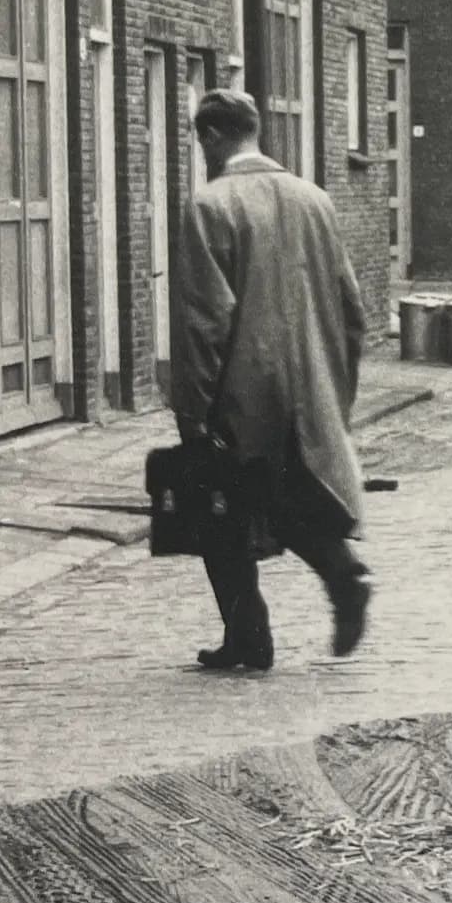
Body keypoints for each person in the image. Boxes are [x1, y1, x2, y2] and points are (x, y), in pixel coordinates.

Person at [172, 88, 373, 672]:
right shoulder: (315, 200)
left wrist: (193, 410)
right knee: (292, 501)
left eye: (199, 140)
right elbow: (352, 310)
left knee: (219, 512)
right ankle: (344, 576)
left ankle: (249, 638)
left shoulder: (210, 207)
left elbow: (204, 320)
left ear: (211, 137)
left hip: (240, 394)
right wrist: (336, 391)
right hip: (310, 390)